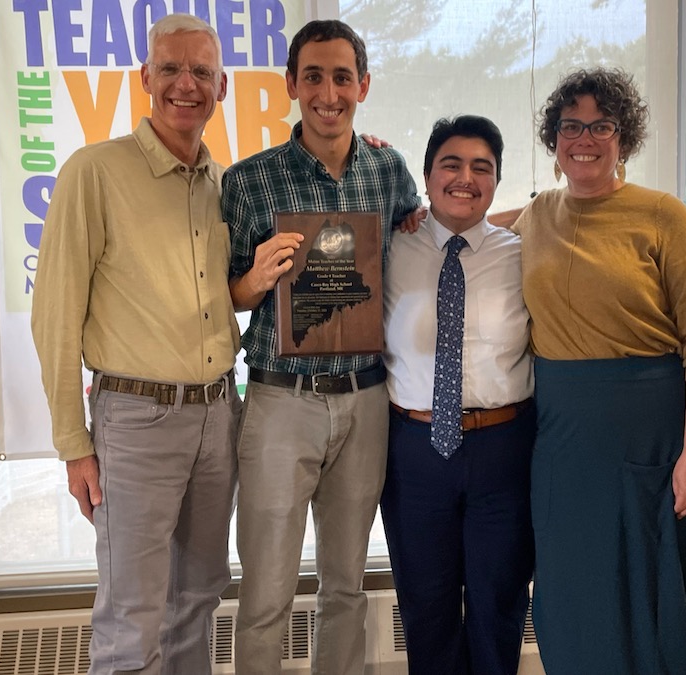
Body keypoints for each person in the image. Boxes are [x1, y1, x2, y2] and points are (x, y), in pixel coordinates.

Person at [31, 14, 241, 674]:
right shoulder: (95, 172)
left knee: (196, 601)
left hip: (218, 414)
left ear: (222, 86)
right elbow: (55, 313)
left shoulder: (219, 184)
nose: (187, 84)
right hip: (135, 422)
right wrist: (74, 443)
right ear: (145, 77)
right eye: (172, 69)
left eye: (201, 72)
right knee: (131, 618)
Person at [512, 67, 686, 675]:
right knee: (573, 604)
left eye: (600, 125)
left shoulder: (664, 216)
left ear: (623, 137)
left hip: (656, 446)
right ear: (553, 140)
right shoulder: (535, 215)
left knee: (658, 610)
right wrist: (408, 210)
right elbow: (463, 217)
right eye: (571, 125)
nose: (585, 137)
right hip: (563, 450)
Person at [221, 19, 421, 675]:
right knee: (266, 594)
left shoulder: (388, 171)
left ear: (362, 85)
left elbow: (422, 243)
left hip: (366, 401)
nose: (328, 92)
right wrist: (253, 279)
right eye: (313, 76)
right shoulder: (250, 182)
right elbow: (223, 295)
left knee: (345, 588)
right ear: (291, 85)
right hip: (281, 402)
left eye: (342, 77)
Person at [381, 115, 535, 675]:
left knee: (499, 604)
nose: (465, 178)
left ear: (496, 181)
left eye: (481, 167)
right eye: (451, 164)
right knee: (426, 607)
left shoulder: (523, 252)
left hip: (503, 449)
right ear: (426, 176)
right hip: (413, 450)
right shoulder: (389, 246)